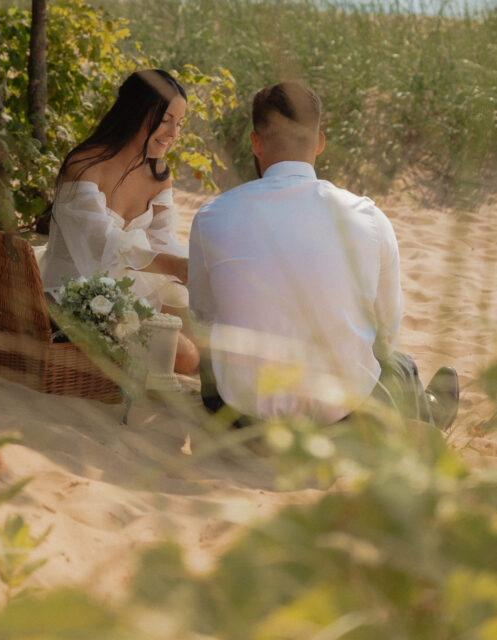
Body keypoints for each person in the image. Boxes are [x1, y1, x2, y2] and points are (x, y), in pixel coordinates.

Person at [188, 81, 459, 429]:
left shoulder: (212, 216)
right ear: (319, 142)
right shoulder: (368, 218)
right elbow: (387, 335)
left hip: (240, 413)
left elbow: (203, 316)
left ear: (256, 142)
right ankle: (428, 411)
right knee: (399, 364)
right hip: (341, 411)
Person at [44, 68, 200, 374]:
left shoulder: (158, 175)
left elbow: (164, 241)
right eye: (166, 119)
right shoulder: (86, 165)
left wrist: (195, 268)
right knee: (186, 357)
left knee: (204, 332)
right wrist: (170, 265)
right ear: (136, 112)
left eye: (179, 123)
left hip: (130, 288)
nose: (174, 133)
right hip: (77, 293)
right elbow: (99, 245)